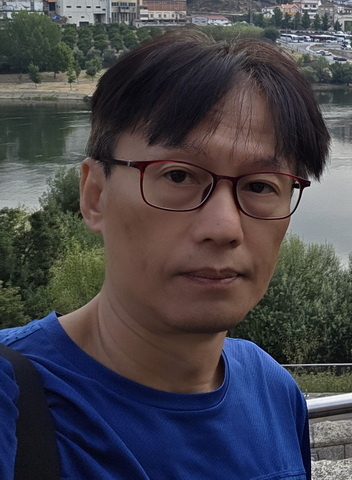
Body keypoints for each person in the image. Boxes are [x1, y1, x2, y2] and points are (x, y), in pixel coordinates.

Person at [0, 29, 331, 480]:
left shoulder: (272, 390)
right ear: (95, 195)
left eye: (260, 186)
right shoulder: (14, 399)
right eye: (178, 176)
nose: (224, 228)